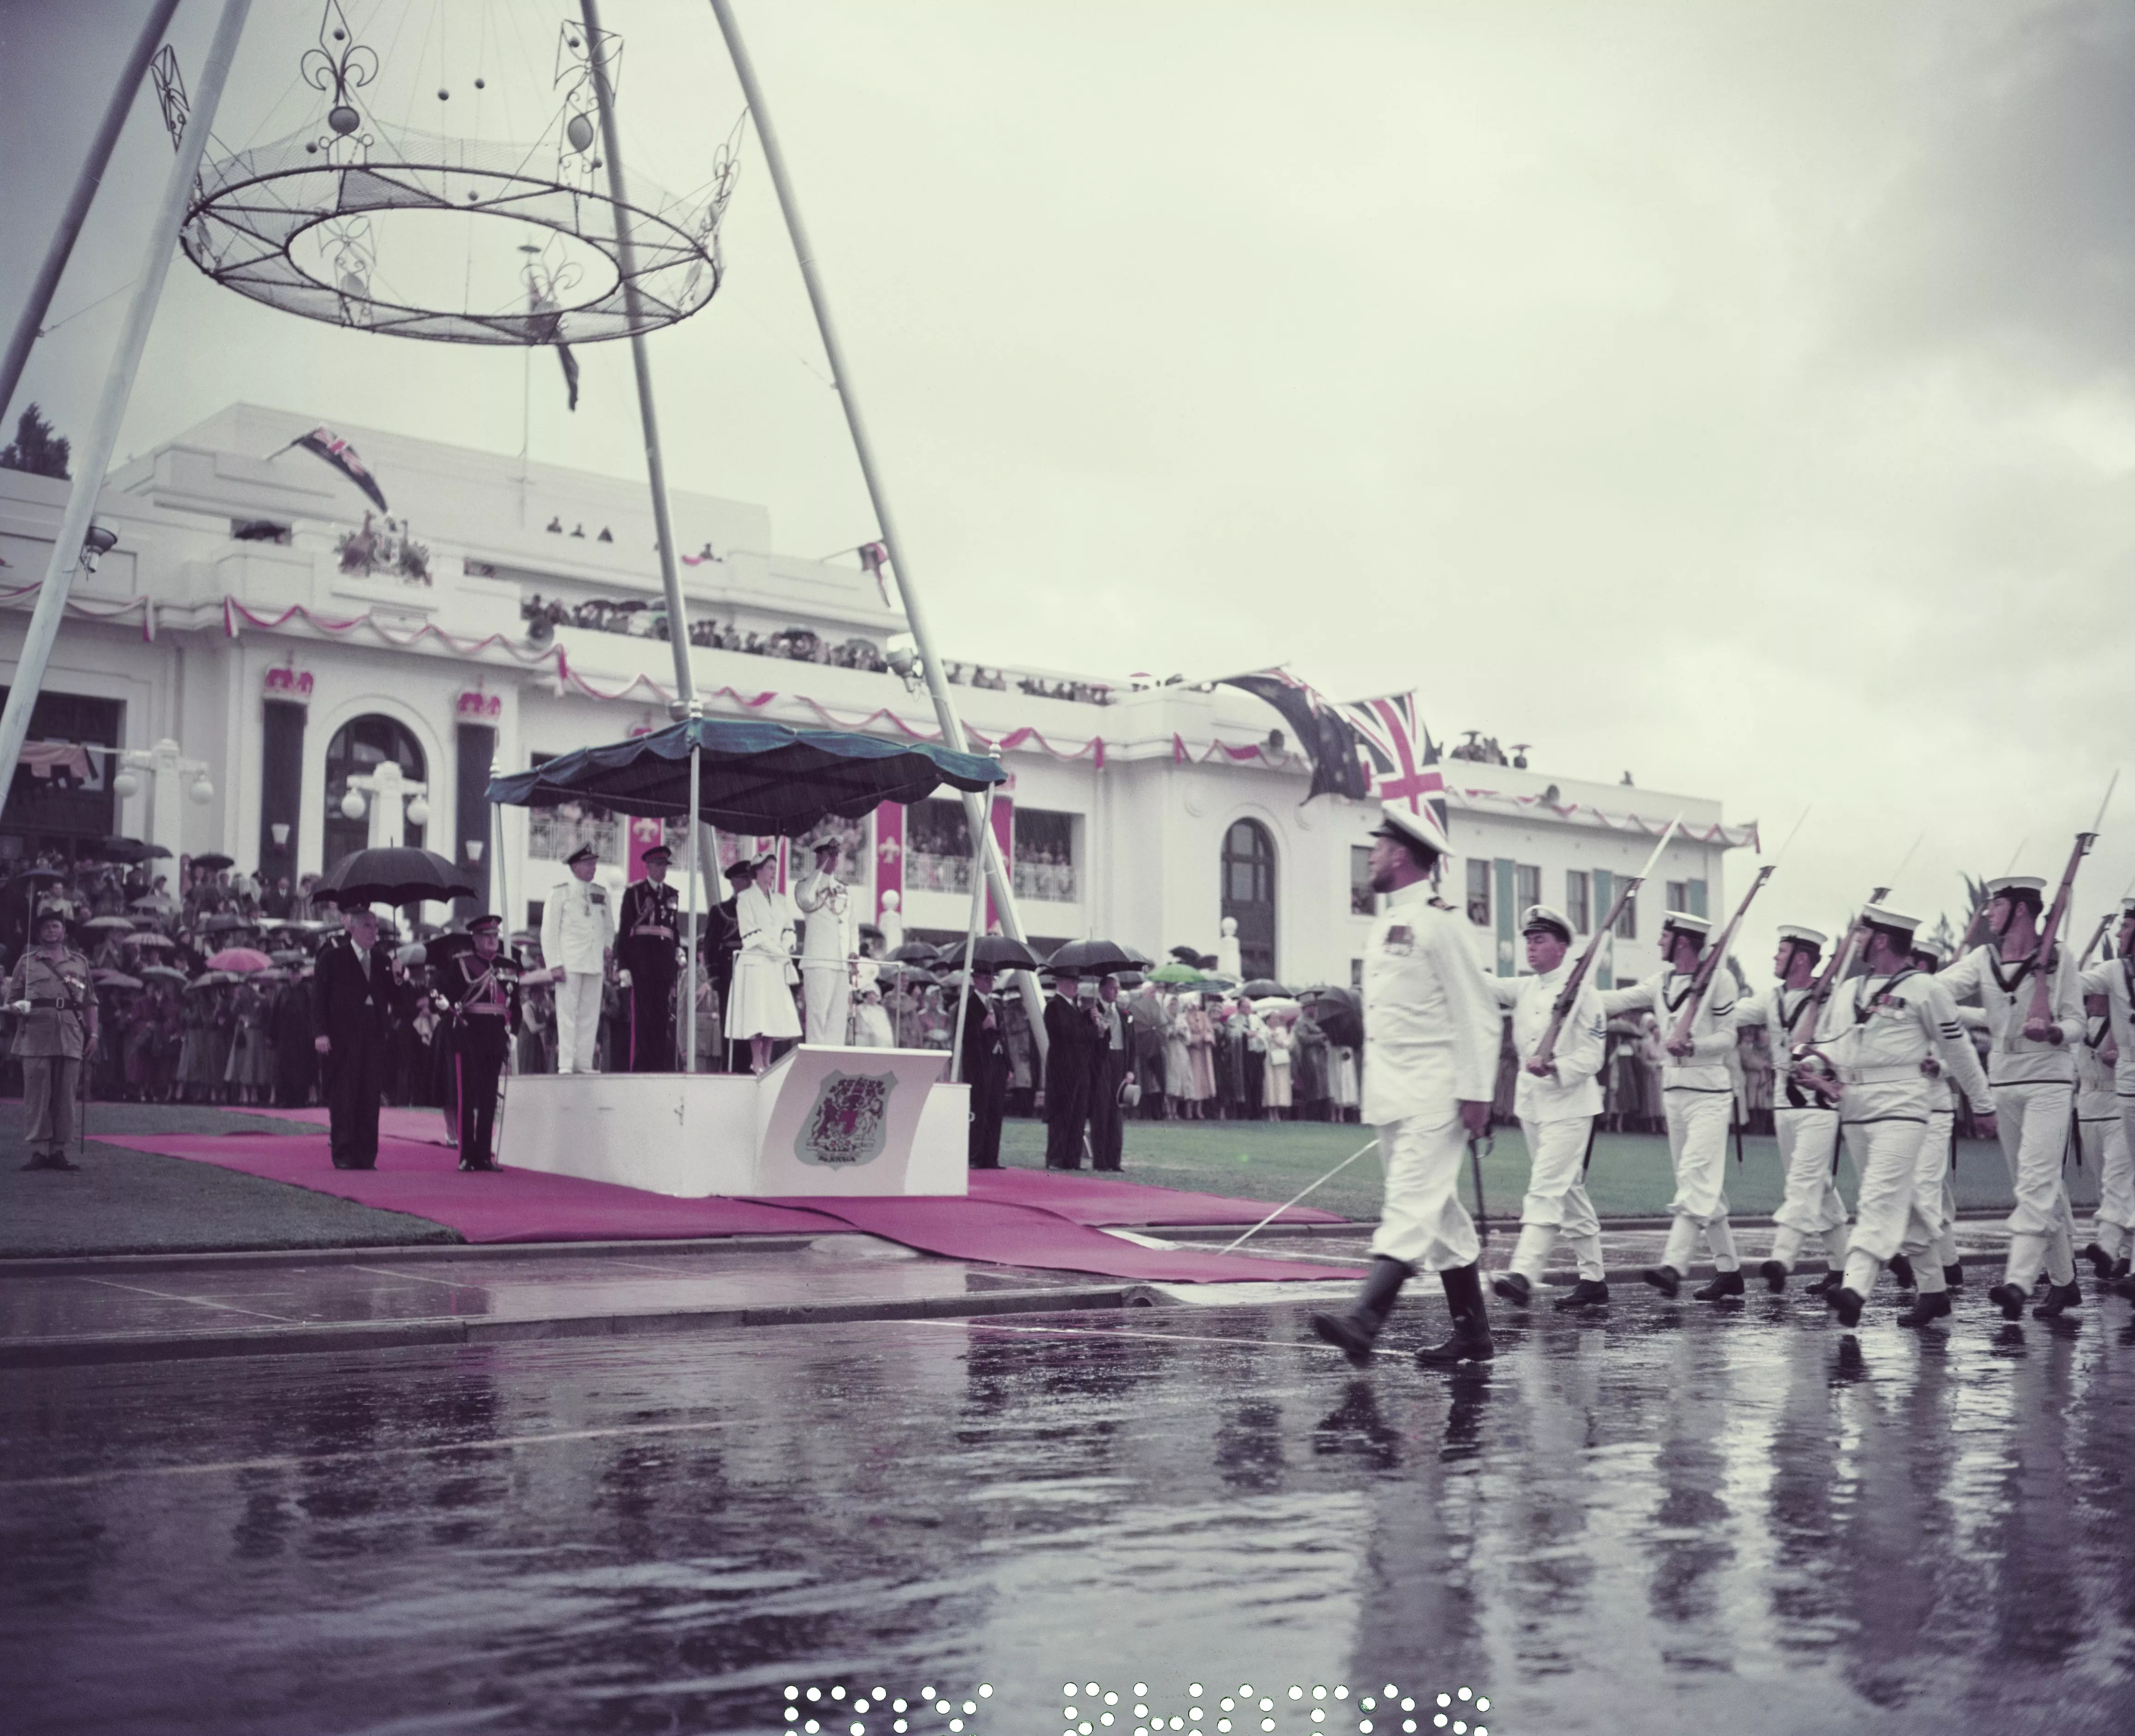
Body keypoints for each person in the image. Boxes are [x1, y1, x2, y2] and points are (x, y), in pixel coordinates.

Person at [1309, 803, 1500, 1368]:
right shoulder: (1384, 923)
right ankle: (1472, 1333)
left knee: (1411, 1204)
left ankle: (1365, 1319)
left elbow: (1477, 1011)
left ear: (1400, 853)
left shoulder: (1441, 922)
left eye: (1377, 845)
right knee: (1440, 1217)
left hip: (1436, 1092)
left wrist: (1476, 1092)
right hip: (1394, 1091)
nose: (1369, 854)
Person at [1795, 905, 1994, 1328]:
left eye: (1863, 933)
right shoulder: (1849, 990)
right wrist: (1814, 1063)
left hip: (1904, 1108)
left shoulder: (1926, 989)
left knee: (1877, 1201)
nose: (1857, 939)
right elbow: (1838, 1044)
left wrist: (1983, 1103)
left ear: (1882, 939)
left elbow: (1958, 1051)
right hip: (1856, 1107)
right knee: (1904, 1205)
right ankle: (1935, 1292)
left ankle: (1854, 1289)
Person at [1939, 874, 2087, 1319]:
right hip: (2003, 1080)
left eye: (1995, 905)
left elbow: (2077, 1021)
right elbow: (1937, 989)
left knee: (2036, 1183)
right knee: (2043, 1187)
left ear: (2019, 909)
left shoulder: (2061, 959)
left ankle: (2018, 1282)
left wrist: (2057, 1030)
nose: (1988, 913)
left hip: (2049, 1080)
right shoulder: (1984, 959)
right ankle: (2065, 1283)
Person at [1601, 910, 1744, 1301]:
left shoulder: (1720, 979)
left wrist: (1695, 1045)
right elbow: (1618, 999)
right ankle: (1730, 1272)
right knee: (1697, 1185)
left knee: (1697, 1176)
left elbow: (1729, 1037)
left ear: (1682, 941)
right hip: (1674, 1090)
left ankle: (1674, 1266)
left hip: (1709, 1093)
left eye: (1664, 936)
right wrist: (1574, 995)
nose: (1659, 943)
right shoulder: (1661, 982)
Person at [1483, 903, 1610, 1311]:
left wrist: (1556, 1066)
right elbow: (1483, 985)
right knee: (1569, 1192)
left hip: (1570, 1104)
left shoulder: (1585, 996)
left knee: (1545, 1189)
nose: (1531, 948)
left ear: (1561, 947)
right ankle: (1593, 1281)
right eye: (1528, 940)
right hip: (1534, 1106)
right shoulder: (1524, 989)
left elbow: (1594, 1057)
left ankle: (1524, 1273)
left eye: (1540, 940)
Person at [1732, 925, 1851, 1293]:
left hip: (1819, 1102)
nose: (1775, 957)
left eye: (1781, 952)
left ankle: (1782, 1259)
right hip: (1783, 1103)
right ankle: (1841, 1268)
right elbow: (1731, 1014)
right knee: (1820, 1186)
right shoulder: (1771, 999)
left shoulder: (1832, 1000)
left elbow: (1846, 1047)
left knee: (1802, 1183)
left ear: (1801, 958)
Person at [5, 905, 97, 1171]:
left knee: (65, 1095)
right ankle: (38, 1151)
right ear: (39, 932)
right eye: (45, 926)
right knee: (37, 1095)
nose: (50, 929)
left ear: (64, 931)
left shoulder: (79, 962)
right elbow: (12, 1000)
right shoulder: (27, 962)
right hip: (35, 1035)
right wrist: (18, 1008)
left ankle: (58, 1150)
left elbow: (90, 1001)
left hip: (70, 1033)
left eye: (55, 925)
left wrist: (95, 1034)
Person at [311, 905, 396, 1170]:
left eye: (376, 927)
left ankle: (366, 1155)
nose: (374, 932)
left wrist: (399, 977)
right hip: (344, 1035)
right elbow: (319, 998)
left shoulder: (383, 961)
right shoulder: (334, 958)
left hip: (373, 1034)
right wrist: (320, 1033)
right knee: (345, 1096)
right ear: (353, 928)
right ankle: (344, 1153)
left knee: (370, 1095)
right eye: (369, 926)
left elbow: (396, 998)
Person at [2079, 897, 2135, 1296]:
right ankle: (2116, 1250)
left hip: (2119, 1097)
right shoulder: (2116, 972)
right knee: (2114, 1179)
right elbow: (2078, 982)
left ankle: (2111, 1246)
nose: (2119, 933)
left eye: (2126, 926)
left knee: (2120, 1176)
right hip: (2111, 1097)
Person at [439, 915, 519, 1171]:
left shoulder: (508, 965)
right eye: (487, 937)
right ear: (475, 939)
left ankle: (485, 1155)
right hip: (470, 1035)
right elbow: (448, 1001)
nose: (492, 941)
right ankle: (466, 1155)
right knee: (467, 1098)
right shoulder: (461, 965)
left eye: (495, 936)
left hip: (496, 1036)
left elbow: (513, 1004)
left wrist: (513, 1031)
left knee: (488, 1099)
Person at [541, 843, 614, 1075]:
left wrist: (608, 948)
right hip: (570, 962)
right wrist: (554, 963)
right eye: (588, 864)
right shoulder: (560, 892)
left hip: (594, 962)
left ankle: (583, 1062)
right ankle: (566, 1063)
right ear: (575, 866)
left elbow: (609, 927)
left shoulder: (602, 894)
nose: (593, 868)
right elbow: (549, 930)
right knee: (567, 1013)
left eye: (594, 863)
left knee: (590, 1015)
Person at [729, 855, 801, 1073]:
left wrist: (785, 946)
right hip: (756, 962)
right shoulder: (745, 898)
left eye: (775, 868)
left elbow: (789, 928)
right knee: (756, 1011)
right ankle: (756, 1059)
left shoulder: (780, 900)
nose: (773, 872)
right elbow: (750, 932)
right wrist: (776, 950)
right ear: (758, 870)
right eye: (770, 868)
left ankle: (767, 1059)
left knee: (773, 1012)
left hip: (776, 964)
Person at [616, 844, 681, 1071]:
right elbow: (625, 931)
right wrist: (623, 965)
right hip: (642, 964)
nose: (663, 870)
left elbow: (674, 930)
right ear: (649, 867)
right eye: (659, 865)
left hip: (663, 965)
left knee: (661, 1019)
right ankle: (642, 1067)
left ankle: (658, 1066)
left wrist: (678, 954)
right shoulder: (635, 893)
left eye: (665, 866)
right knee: (643, 1019)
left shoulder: (672, 894)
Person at [793, 838, 855, 1045]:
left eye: (837, 854)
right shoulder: (806, 885)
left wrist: (853, 952)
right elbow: (805, 900)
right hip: (818, 960)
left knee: (838, 1017)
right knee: (818, 1015)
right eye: (830, 854)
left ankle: (833, 1059)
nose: (835, 858)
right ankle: (815, 1060)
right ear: (820, 855)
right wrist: (819, 869)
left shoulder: (843, 889)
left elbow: (851, 924)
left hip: (840, 962)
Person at [1043, 970, 1103, 1169]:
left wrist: (1089, 1017)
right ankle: (1057, 1157)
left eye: (1077, 982)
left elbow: (1078, 1030)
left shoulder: (1073, 1008)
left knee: (1078, 1114)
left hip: (1079, 1069)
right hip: (1063, 1070)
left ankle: (1072, 1158)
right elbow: (1070, 1033)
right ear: (1061, 983)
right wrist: (1093, 1030)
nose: (1076, 986)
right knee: (1063, 1114)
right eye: (1072, 982)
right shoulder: (1054, 1007)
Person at [960, 967, 1010, 1167]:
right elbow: (964, 1036)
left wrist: (1009, 1065)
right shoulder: (969, 1004)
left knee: (995, 1110)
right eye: (987, 979)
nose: (991, 982)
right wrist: (982, 1027)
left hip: (997, 1063)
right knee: (979, 1110)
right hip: (979, 1064)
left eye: (992, 979)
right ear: (977, 980)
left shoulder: (997, 1006)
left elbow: (1004, 1036)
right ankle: (975, 1155)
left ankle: (991, 1156)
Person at [1088, 973, 1130, 1171]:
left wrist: (1130, 1070)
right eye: (1113, 987)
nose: (1116, 991)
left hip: (1119, 1062)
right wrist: (1097, 1029)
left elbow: (1132, 1045)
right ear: (1102, 989)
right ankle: (1101, 1161)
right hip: (1102, 1063)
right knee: (1101, 1112)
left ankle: (1115, 1161)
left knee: (1117, 1113)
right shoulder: (1092, 1012)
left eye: (1118, 988)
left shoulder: (1124, 1014)